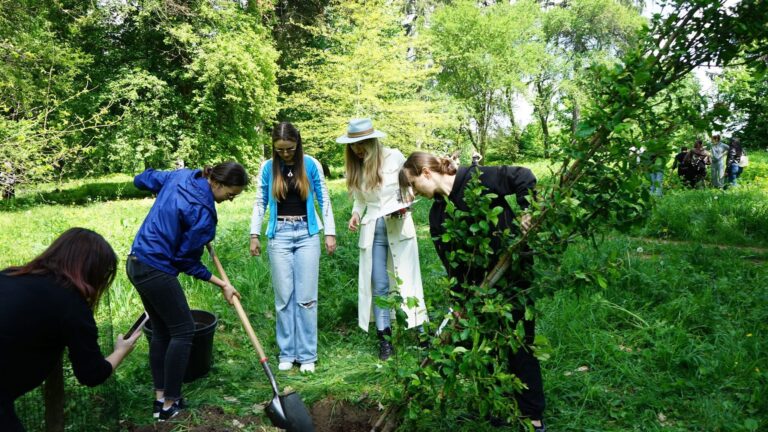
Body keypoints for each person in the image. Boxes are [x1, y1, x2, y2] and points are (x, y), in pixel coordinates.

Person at [399, 152, 546, 432]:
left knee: (520, 345)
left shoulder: (477, 180)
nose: (414, 192)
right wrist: (459, 300)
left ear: (427, 173)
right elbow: (450, 264)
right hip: (478, 293)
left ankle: (533, 415)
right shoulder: (438, 214)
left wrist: (528, 210)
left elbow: (523, 176)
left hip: (513, 278)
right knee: (486, 348)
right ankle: (499, 404)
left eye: (414, 184)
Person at [127, 162, 246, 421]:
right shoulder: (204, 213)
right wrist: (223, 284)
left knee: (161, 331)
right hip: (156, 270)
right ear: (216, 182)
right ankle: (171, 403)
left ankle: (160, 401)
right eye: (230, 194)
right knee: (183, 330)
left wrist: (163, 193)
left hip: (135, 262)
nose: (230, 200)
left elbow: (142, 179)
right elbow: (185, 261)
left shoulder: (182, 175)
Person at [1, 228, 140, 432]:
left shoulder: (10, 275)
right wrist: (121, 351)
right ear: (95, 272)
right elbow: (91, 374)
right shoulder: (71, 305)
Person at [337, 118, 428, 360]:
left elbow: (409, 187)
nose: (358, 149)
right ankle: (384, 339)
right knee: (378, 283)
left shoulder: (394, 157)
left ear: (373, 141)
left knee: (407, 279)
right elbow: (360, 199)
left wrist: (405, 204)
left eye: (363, 143)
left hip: (398, 224)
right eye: (353, 145)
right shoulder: (354, 166)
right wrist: (356, 214)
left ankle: (420, 332)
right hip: (373, 228)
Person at [250, 122, 337, 374]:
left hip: (307, 234)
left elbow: (324, 198)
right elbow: (260, 202)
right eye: (280, 150)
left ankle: (307, 354)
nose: (285, 154)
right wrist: (254, 234)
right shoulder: (268, 168)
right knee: (284, 297)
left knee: (307, 298)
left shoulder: (311, 165)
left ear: (297, 143)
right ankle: (287, 351)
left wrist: (329, 232)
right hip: (280, 236)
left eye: (289, 149)